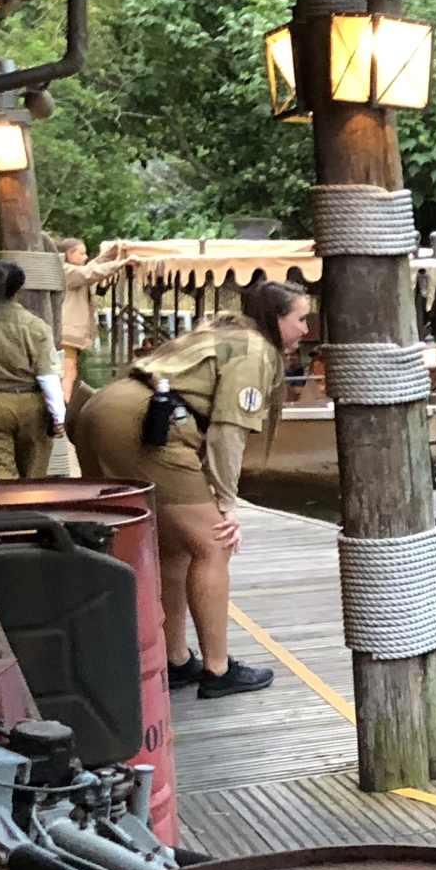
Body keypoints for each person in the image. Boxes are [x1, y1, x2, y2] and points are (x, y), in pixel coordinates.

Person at [74, 275, 308, 700]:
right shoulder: (256, 349)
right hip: (146, 424)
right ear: (276, 319)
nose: (305, 331)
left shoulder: (223, 331)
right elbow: (227, 432)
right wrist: (226, 503)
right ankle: (218, 670)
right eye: (300, 320)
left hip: (104, 409)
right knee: (213, 544)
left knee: (176, 546)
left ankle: (175, 659)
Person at [0, 259, 66, 479]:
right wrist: (58, 416)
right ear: (19, 289)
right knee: (34, 478)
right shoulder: (34, 325)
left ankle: (6, 512)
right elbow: (48, 375)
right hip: (32, 406)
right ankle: (30, 511)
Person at [56, 239, 93, 399]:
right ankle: (62, 414)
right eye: (81, 253)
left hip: (67, 334)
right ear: (69, 254)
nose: (85, 258)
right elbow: (93, 272)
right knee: (68, 373)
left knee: (68, 372)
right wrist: (120, 263)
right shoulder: (67, 272)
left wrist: (112, 255)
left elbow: (93, 267)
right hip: (67, 334)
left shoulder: (69, 270)